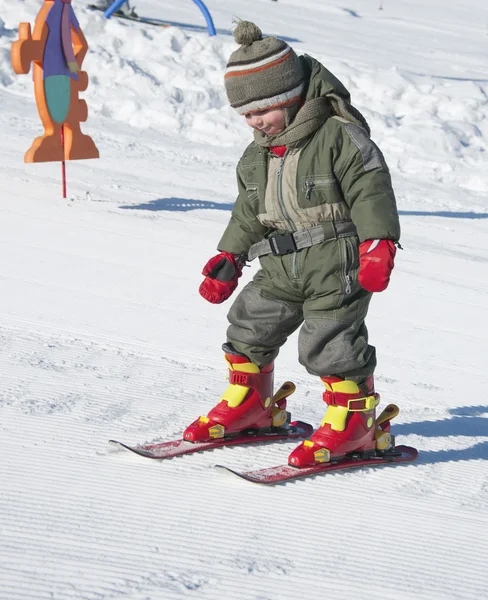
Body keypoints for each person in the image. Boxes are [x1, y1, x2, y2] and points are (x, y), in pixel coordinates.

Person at [183, 21, 400, 468]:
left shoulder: (338, 136)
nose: (256, 121)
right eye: (246, 115)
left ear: (290, 96)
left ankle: (354, 426)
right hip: (281, 265)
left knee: (329, 343)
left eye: (263, 110)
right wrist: (230, 255)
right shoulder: (256, 156)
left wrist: (379, 242)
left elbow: (371, 188)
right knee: (248, 322)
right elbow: (249, 210)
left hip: (335, 265)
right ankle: (250, 404)